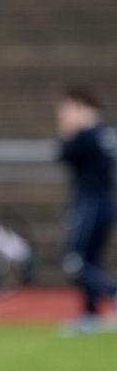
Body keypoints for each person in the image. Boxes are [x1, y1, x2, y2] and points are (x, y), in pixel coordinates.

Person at [56, 86, 117, 334]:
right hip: (104, 201)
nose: (62, 114)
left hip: (90, 203)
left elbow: (62, 154)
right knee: (90, 259)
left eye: (67, 108)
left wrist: (69, 130)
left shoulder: (87, 134)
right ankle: (90, 314)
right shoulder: (103, 131)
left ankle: (112, 293)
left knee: (76, 261)